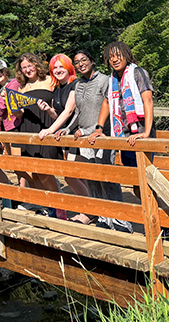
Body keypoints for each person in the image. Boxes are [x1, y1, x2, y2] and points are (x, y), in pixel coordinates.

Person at [88, 42, 169, 239]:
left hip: (141, 135)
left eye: (119, 55)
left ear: (127, 55)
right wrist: (99, 128)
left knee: (147, 182)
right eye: (111, 56)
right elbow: (107, 102)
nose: (115, 58)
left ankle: (167, 223)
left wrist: (146, 134)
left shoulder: (138, 73)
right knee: (137, 185)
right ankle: (158, 220)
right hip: (125, 138)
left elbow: (148, 101)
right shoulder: (113, 79)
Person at [54, 50, 130, 230]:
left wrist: (91, 129)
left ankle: (120, 220)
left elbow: (111, 107)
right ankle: (103, 216)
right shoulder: (78, 84)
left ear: (92, 61)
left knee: (107, 178)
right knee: (92, 179)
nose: (81, 64)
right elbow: (78, 112)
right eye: (77, 62)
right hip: (85, 139)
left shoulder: (105, 81)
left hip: (103, 136)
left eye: (84, 60)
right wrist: (67, 128)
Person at [12, 53, 63, 217]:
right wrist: (15, 110)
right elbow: (20, 115)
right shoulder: (22, 88)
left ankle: (59, 206)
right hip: (28, 129)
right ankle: (46, 206)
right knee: (33, 172)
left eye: (29, 65)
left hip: (46, 127)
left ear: (36, 65)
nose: (27, 70)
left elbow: (60, 110)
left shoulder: (50, 81)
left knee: (45, 171)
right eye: (23, 68)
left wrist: (48, 110)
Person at [37, 54, 89, 198]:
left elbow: (69, 111)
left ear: (69, 68)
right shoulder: (57, 88)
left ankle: (88, 209)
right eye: (55, 68)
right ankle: (89, 209)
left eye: (61, 67)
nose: (58, 70)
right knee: (78, 176)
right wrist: (48, 109)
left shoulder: (76, 84)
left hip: (78, 134)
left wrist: (50, 130)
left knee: (70, 176)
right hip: (66, 135)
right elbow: (58, 114)